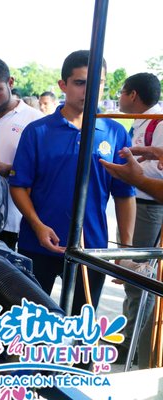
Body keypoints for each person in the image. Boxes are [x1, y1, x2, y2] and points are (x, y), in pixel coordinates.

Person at [10, 50, 135, 314]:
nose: (90, 91)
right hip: (38, 245)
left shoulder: (115, 132)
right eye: (80, 83)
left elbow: (124, 194)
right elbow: (19, 186)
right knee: (34, 329)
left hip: (91, 249)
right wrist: (37, 225)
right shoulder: (38, 131)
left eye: (98, 84)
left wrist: (125, 248)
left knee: (83, 332)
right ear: (63, 85)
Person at [114, 72, 163, 367]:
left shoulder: (157, 122)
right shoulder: (144, 121)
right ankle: (132, 339)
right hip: (139, 202)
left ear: (132, 95)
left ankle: (136, 345)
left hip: (149, 204)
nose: (118, 98)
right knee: (132, 275)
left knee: (138, 277)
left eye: (121, 92)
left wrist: (133, 173)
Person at [0, 57, 44, 249]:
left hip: (17, 221)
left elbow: (45, 172)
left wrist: (11, 170)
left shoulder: (36, 121)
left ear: (10, 82)